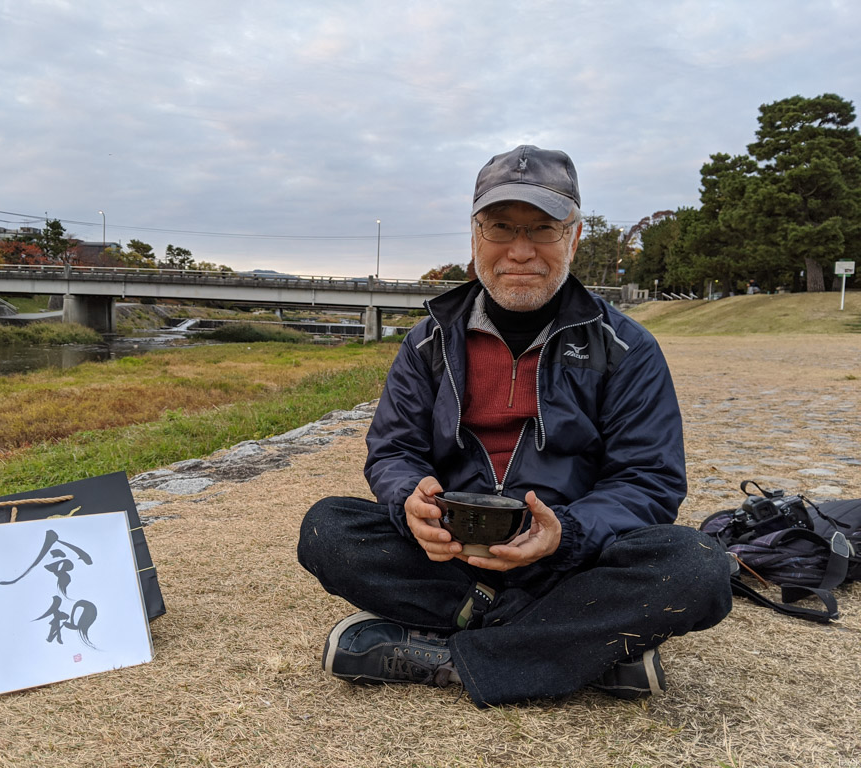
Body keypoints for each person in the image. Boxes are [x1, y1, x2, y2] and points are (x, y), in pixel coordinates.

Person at [297, 145, 733, 708]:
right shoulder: (429, 341)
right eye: (501, 227)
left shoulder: (625, 347)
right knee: (327, 528)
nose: (520, 251)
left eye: (543, 229)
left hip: (570, 559)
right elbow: (393, 449)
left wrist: (565, 534)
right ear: (474, 235)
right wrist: (409, 499)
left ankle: (452, 654)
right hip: (451, 554)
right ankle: (576, 646)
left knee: (697, 566)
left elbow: (649, 480)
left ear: (574, 238)